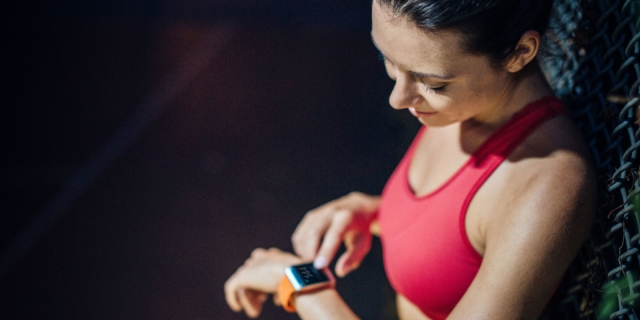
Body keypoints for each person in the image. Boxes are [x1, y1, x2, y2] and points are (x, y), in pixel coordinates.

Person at [224, 0, 596, 319]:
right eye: (388, 59)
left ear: (520, 53)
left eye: (432, 83)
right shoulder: (464, 105)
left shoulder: (546, 183)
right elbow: (462, 232)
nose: (398, 99)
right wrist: (376, 212)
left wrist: (300, 284)